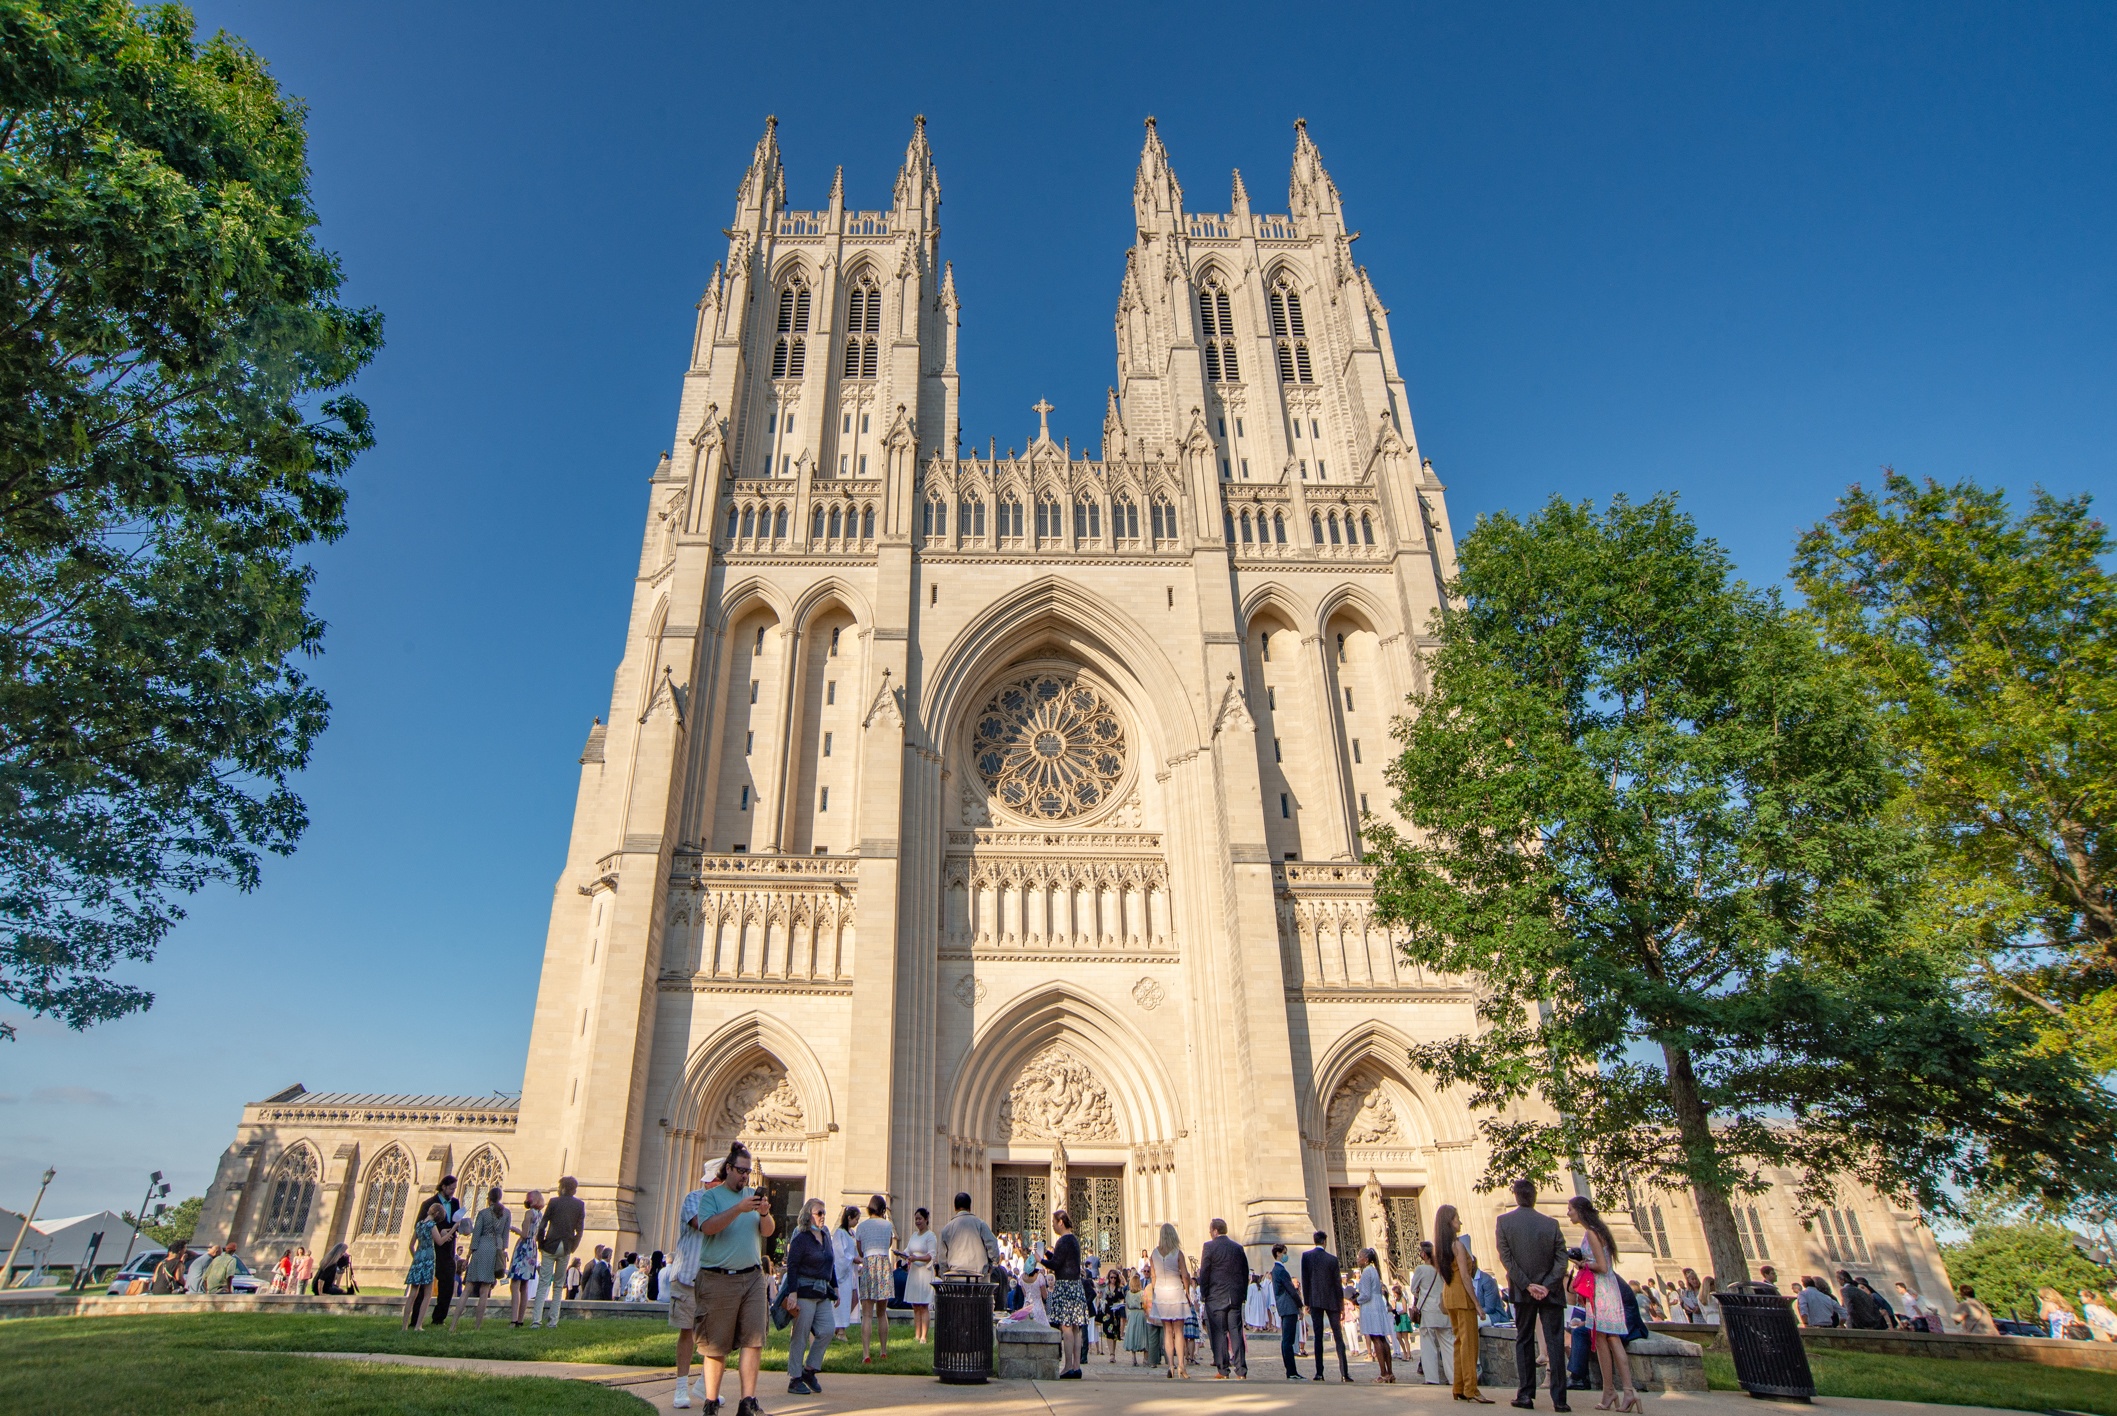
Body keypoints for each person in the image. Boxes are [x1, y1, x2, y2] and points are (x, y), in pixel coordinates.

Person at [684, 1140, 776, 1416]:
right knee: (715, 1343)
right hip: (718, 1278)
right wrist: (739, 1209)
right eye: (740, 1171)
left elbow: (768, 1232)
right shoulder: (711, 1197)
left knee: (754, 1340)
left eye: (748, 1172)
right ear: (728, 1168)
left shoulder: (752, 1197)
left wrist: (764, 1212)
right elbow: (708, 1228)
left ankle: (747, 1402)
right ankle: (710, 1402)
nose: (745, 1176)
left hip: (752, 1278)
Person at [1495, 1178, 1571, 1412]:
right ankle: (1560, 1399)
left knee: (1525, 1340)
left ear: (1516, 1196)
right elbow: (1562, 1259)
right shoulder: (1551, 1224)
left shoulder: (1504, 1222)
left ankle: (1526, 1394)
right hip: (1551, 1293)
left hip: (1523, 1292)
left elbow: (1506, 1259)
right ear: (1535, 1196)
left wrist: (1528, 1285)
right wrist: (1546, 1285)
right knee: (1555, 1342)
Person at [1564, 1195, 1637, 1414]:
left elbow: (1603, 1266)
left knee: (1612, 1339)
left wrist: (1583, 1264)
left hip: (1602, 1291)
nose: (1568, 1213)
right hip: (1605, 1290)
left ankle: (1627, 1390)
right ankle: (1610, 1391)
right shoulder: (1598, 1231)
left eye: (1570, 1209)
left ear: (1579, 1210)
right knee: (1603, 1340)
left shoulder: (1591, 1233)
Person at [1434, 1205, 1493, 1404]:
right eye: (1457, 1218)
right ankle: (1471, 1388)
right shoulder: (1457, 1245)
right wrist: (1477, 1304)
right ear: (1449, 1221)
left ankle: (1458, 1386)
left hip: (1450, 1294)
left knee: (1459, 1342)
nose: (1460, 1222)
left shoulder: (1441, 1247)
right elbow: (1466, 1276)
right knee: (1469, 1344)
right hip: (1462, 1295)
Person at [782, 1198, 838, 1396]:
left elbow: (832, 1262)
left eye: (824, 1212)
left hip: (822, 1291)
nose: (823, 1216)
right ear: (808, 1216)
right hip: (804, 1291)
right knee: (801, 1335)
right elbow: (792, 1266)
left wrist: (835, 1287)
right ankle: (795, 1378)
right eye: (819, 1213)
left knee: (828, 1330)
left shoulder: (826, 1235)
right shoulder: (801, 1237)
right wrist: (793, 1293)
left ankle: (809, 1370)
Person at [1196, 1216, 1250, 1380]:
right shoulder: (1237, 1248)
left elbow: (1204, 1272)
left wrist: (1204, 1293)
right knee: (1236, 1332)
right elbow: (1245, 1272)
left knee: (1219, 1333)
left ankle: (1223, 1369)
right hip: (1234, 1297)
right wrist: (1243, 1294)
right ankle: (1241, 1371)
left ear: (1214, 1231)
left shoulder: (1209, 1247)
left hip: (1215, 1297)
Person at [453, 1184, 510, 1331]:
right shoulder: (506, 1214)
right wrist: (501, 1252)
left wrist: (468, 1256)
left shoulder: (483, 1213)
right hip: (494, 1249)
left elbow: (476, 1236)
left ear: (488, 1199)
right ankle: (477, 1327)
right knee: (485, 1291)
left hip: (481, 1248)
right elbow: (505, 1237)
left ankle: (453, 1325)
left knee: (468, 1288)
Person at [1300, 1229, 1352, 1382]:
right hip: (1331, 1301)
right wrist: (1341, 1305)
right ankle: (1344, 1372)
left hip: (1315, 1300)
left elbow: (1306, 1280)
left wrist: (1307, 1302)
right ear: (1324, 1242)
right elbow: (1337, 1284)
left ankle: (1319, 1372)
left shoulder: (1307, 1257)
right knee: (1338, 1337)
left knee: (1318, 1337)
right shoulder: (1332, 1259)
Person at [534, 1175, 586, 1328]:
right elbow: (580, 1230)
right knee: (558, 1285)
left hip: (550, 1245)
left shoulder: (554, 1202)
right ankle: (553, 1321)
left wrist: (540, 1242)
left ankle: (536, 1320)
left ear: (563, 1188)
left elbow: (543, 1224)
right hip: (566, 1246)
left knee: (544, 1283)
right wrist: (573, 1246)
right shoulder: (579, 1205)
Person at [1044, 1208, 1090, 1379]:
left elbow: (1056, 1264)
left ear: (1060, 1222)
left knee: (1067, 1327)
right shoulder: (1073, 1239)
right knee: (1076, 1327)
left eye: (1054, 1223)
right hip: (1075, 1285)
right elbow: (1061, 1259)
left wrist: (1040, 1258)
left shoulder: (1063, 1240)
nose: (1053, 1226)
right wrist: (1047, 1253)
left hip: (1065, 1286)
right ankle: (1076, 1366)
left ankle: (1068, 1366)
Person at [1147, 1223, 1193, 1379]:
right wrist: (1187, 1291)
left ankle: (1170, 1366)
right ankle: (1181, 1365)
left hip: (1161, 1292)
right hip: (1175, 1291)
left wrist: (1154, 1292)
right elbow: (1185, 1275)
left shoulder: (1154, 1254)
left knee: (1167, 1330)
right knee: (1178, 1331)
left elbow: (1153, 1276)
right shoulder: (1177, 1253)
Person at [854, 1194, 896, 1363]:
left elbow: (860, 1249)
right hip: (884, 1264)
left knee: (866, 1313)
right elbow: (889, 1244)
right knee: (881, 1312)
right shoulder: (888, 1225)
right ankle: (883, 1350)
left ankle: (866, 1353)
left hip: (869, 1264)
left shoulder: (862, 1227)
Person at [424, 1174, 466, 1327]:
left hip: (449, 1249)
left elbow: (456, 1222)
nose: (453, 1191)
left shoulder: (454, 1202)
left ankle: (439, 1318)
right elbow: (422, 1224)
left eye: (455, 1188)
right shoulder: (430, 1203)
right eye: (451, 1188)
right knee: (425, 1286)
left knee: (448, 1284)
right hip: (433, 1249)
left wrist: (462, 1228)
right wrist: (441, 1230)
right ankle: (416, 1319)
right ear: (443, 1186)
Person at [1411, 1239, 1454, 1385]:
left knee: (1428, 1346)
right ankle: (1454, 1377)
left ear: (1424, 1254)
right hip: (1443, 1309)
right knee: (1448, 1345)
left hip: (1428, 1311)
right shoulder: (1443, 1269)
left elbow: (1413, 1289)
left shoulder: (1421, 1270)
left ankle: (1432, 1378)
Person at [938, 1191, 1002, 1277]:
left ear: (955, 1208)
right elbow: (992, 1244)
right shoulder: (980, 1224)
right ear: (969, 1207)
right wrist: (993, 1265)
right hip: (979, 1276)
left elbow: (942, 1258)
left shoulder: (946, 1229)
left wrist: (945, 1274)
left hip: (955, 1276)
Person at [1356, 1247, 1395, 1382]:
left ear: (1365, 1259)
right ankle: (1389, 1372)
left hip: (1370, 1306)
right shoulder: (1374, 1271)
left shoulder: (1367, 1272)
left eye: (1359, 1256)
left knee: (1376, 1338)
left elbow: (1366, 1294)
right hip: (1377, 1304)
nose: (1357, 1258)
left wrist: (1357, 1299)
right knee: (1382, 1338)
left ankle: (1383, 1373)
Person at [403, 1200, 442, 1330]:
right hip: (429, 1258)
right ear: (436, 1213)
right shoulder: (431, 1225)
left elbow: (411, 1245)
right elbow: (440, 1241)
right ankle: (418, 1325)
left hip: (418, 1257)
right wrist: (452, 1229)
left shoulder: (419, 1225)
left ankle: (404, 1326)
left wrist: (416, 1258)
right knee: (427, 1293)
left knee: (413, 1293)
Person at [1268, 1243, 1305, 1379]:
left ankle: (1290, 1370)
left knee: (1287, 1340)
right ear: (1278, 1253)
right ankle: (1291, 1371)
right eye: (1284, 1252)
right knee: (1288, 1340)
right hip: (1288, 1307)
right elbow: (1291, 1290)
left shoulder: (1276, 1270)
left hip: (1284, 1307)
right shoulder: (1280, 1270)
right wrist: (1300, 1305)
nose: (1285, 1255)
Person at [509, 1188, 545, 1326]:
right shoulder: (540, 1215)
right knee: (524, 1285)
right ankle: (521, 1319)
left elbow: (524, 1234)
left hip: (523, 1248)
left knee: (515, 1284)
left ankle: (513, 1319)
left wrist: (514, 1229)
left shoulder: (529, 1213)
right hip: (532, 1249)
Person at [902, 1207, 938, 1344]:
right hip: (914, 1274)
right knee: (915, 1305)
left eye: (919, 1219)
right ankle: (916, 1334)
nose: (917, 1221)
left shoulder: (930, 1236)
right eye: (916, 1219)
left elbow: (931, 1255)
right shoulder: (913, 1236)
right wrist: (901, 1254)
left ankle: (924, 1336)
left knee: (923, 1306)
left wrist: (916, 1259)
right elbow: (908, 1251)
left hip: (924, 1273)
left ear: (926, 1219)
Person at [833, 1206, 861, 1334]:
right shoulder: (839, 1233)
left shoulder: (852, 1234)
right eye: (856, 1219)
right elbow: (839, 1254)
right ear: (849, 1217)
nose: (857, 1222)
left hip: (851, 1271)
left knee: (854, 1297)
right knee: (844, 1298)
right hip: (843, 1271)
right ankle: (839, 1328)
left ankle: (841, 1325)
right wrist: (852, 1259)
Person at [1124, 1270, 1151, 1365]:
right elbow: (1145, 1304)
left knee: (1133, 1334)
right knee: (1143, 1335)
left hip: (1132, 1314)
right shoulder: (1142, 1293)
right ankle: (1145, 1358)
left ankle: (1133, 1357)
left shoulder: (1128, 1293)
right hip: (1140, 1314)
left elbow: (1127, 1304)